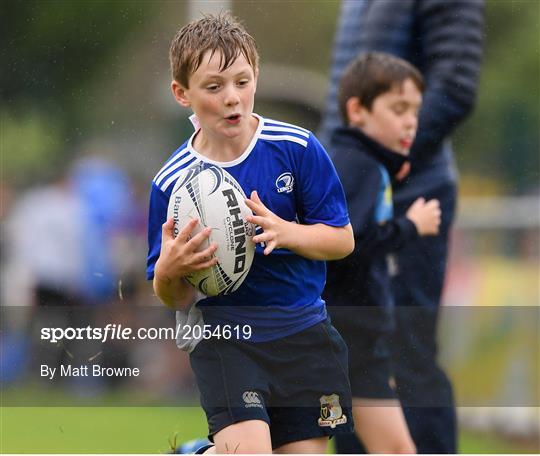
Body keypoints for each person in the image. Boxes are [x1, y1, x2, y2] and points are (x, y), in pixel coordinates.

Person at [147, 13, 355, 454]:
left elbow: (342, 240)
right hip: (226, 339)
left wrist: (288, 232)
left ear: (256, 78)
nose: (232, 98)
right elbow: (174, 297)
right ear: (182, 94)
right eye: (214, 86)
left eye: (242, 82)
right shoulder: (171, 184)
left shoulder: (296, 149)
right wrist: (169, 271)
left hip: (302, 334)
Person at [319, 1, 484, 453]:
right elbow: (347, 97)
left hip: (413, 193)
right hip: (352, 181)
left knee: (405, 351)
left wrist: (387, 163)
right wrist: (338, 168)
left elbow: (455, 86)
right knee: (348, 353)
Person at [324, 52, 441, 454]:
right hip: (343, 339)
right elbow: (349, 241)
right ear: (357, 111)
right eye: (398, 108)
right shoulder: (359, 164)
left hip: (357, 341)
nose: (411, 121)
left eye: (415, 111)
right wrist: (411, 225)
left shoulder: (365, 163)